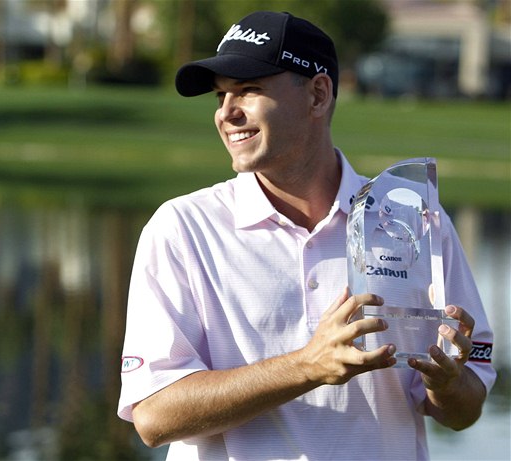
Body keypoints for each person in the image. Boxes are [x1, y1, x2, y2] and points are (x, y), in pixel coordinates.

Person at [118, 11, 495, 461]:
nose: (226, 113)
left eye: (249, 89)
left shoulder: (414, 220)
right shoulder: (182, 227)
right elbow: (155, 417)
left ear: (318, 95)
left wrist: (449, 385)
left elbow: (465, 410)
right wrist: (306, 366)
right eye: (221, 95)